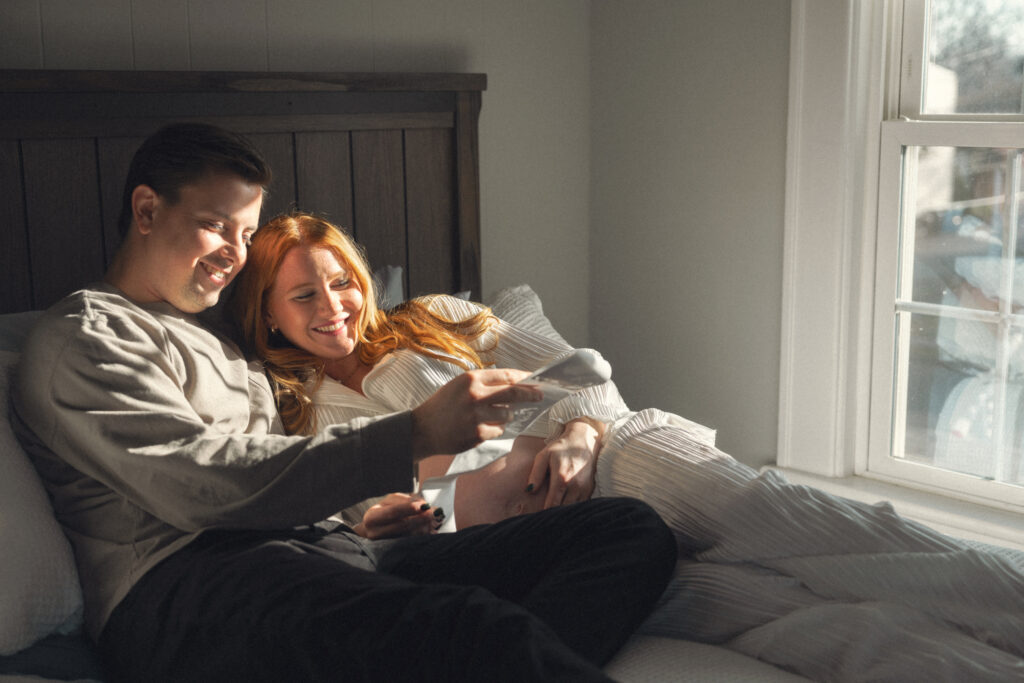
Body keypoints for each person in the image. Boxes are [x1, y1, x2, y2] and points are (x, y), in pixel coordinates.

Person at [10, 123, 678, 683]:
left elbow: (280, 465)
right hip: (185, 588)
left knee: (627, 529)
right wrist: (411, 434)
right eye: (216, 227)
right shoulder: (86, 336)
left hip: (323, 550)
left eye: (245, 235)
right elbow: (199, 479)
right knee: (472, 627)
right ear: (148, 210)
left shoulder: (225, 345)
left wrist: (364, 515)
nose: (234, 255)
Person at [232, 212, 1024, 683]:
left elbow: (580, 372)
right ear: (268, 312)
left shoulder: (433, 317)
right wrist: (394, 522)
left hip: (623, 460)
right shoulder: (294, 417)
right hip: (553, 552)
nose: (335, 304)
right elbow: (351, 525)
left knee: (830, 529)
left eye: (343, 280)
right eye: (305, 293)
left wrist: (580, 436)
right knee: (809, 627)